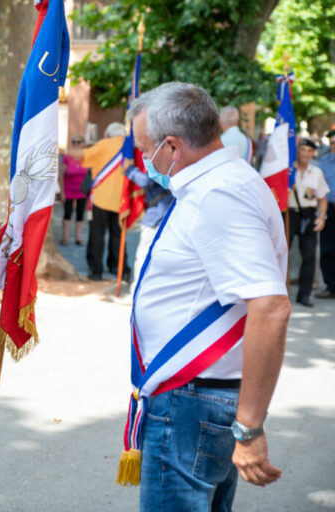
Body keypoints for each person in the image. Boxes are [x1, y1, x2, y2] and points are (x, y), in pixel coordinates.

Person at [122, 82, 291, 511]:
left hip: (192, 401)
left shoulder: (219, 193)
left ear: (172, 147)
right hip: (192, 396)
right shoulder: (219, 183)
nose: (145, 160)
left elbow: (270, 307)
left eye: (146, 149)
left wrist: (250, 429)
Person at [67, 122, 130, 281]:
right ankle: (117, 267)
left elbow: (84, 156)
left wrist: (63, 150)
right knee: (117, 235)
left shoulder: (103, 144)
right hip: (121, 200)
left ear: (108, 134)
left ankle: (96, 271)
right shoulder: (129, 147)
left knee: (97, 235)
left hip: (101, 199)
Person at [288, 138, 330, 306]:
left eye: (309, 151)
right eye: (303, 150)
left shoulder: (316, 172)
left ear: (313, 153)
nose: (305, 154)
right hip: (290, 214)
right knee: (283, 253)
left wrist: (322, 217)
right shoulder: (289, 171)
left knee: (309, 256)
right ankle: (280, 292)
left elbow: (322, 198)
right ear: (298, 151)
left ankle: (304, 295)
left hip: (309, 214)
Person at [124, 165, 173, 292]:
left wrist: (129, 169)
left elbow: (147, 181)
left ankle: (138, 290)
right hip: (167, 215)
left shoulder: (163, 160)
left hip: (157, 216)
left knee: (143, 256)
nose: (144, 155)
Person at [315, 130, 335, 299]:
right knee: (327, 248)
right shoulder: (324, 162)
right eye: (333, 143)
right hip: (329, 208)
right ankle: (330, 285)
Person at [58, 135, 89, 245]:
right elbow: (61, 175)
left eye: (78, 142)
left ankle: (78, 238)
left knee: (80, 214)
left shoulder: (86, 157)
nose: (76, 144)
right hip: (68, 190)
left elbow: (90, 175)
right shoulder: (67, 157)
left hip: (82, 191)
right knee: (68, 213)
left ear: (83, 143)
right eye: (74, 142)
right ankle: (65, 238)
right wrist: (62, 192)